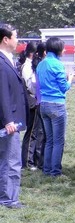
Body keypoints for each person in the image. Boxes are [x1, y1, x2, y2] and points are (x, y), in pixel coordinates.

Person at [36, 37, 73, 177]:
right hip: (57, 104)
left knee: (49, 140)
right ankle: (55, 171)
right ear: (58, 49)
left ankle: (47, 169)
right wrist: (70, 79)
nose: (65, 50)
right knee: (58, 141)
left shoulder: (41, 64)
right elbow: (64, 87)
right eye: (63, 48)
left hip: (43, 104)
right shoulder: (58, 65)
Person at [0, 23, 28, 209]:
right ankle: (8, 199)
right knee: (11, 160)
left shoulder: (7, 60)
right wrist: (8, 120)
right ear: (5, 39)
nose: (17, 40)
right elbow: (2, 93)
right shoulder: (1, 63)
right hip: (9, 122)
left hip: (10, 119)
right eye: (15, 36)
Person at [19, 41, 44, 170]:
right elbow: (30, 86)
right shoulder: (27, 66)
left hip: (33, 101)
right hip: (32, 102)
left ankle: (33, 159)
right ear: (32, 53)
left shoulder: (28, 65)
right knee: (32, 132)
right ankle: (27, 161)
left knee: (35, 132)